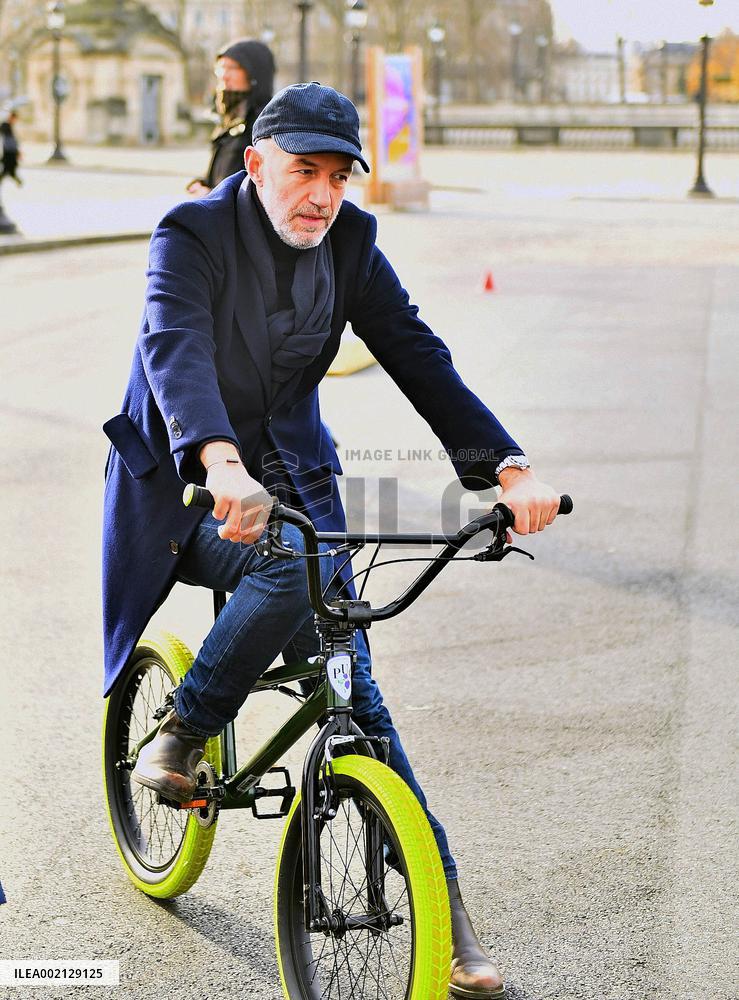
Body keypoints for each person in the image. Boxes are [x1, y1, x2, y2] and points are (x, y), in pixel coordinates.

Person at [102, 83, 561, 998]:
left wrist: (504, 470)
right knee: (292, 566)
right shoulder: (190, 234)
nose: (320, 193)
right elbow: (175, 348)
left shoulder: (351, 242)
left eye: (338, 175)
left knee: (364, 699)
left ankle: (448, 912)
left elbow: (416, 354)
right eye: (302, 171)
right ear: (258, 164)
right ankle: (183, 733)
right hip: (193, 494)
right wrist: (223, 463)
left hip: (298, 484)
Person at [186, 38, 275, 197]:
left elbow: (259, 187)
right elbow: (223, 173)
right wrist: (204, 183)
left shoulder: (266, 122)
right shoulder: (229, 116)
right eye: (221, 68)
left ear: (254, 72)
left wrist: (211, 195)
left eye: (232, 67)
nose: (224, 76)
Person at [1, 111, 22, 186]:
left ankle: (17, 180)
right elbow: (10, 141)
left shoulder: (9, 126)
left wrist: (17, 151)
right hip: (9, 151)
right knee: (8, 169)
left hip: (11, 151)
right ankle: (17, 180)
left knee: (8, 169)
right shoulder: (6, 125)